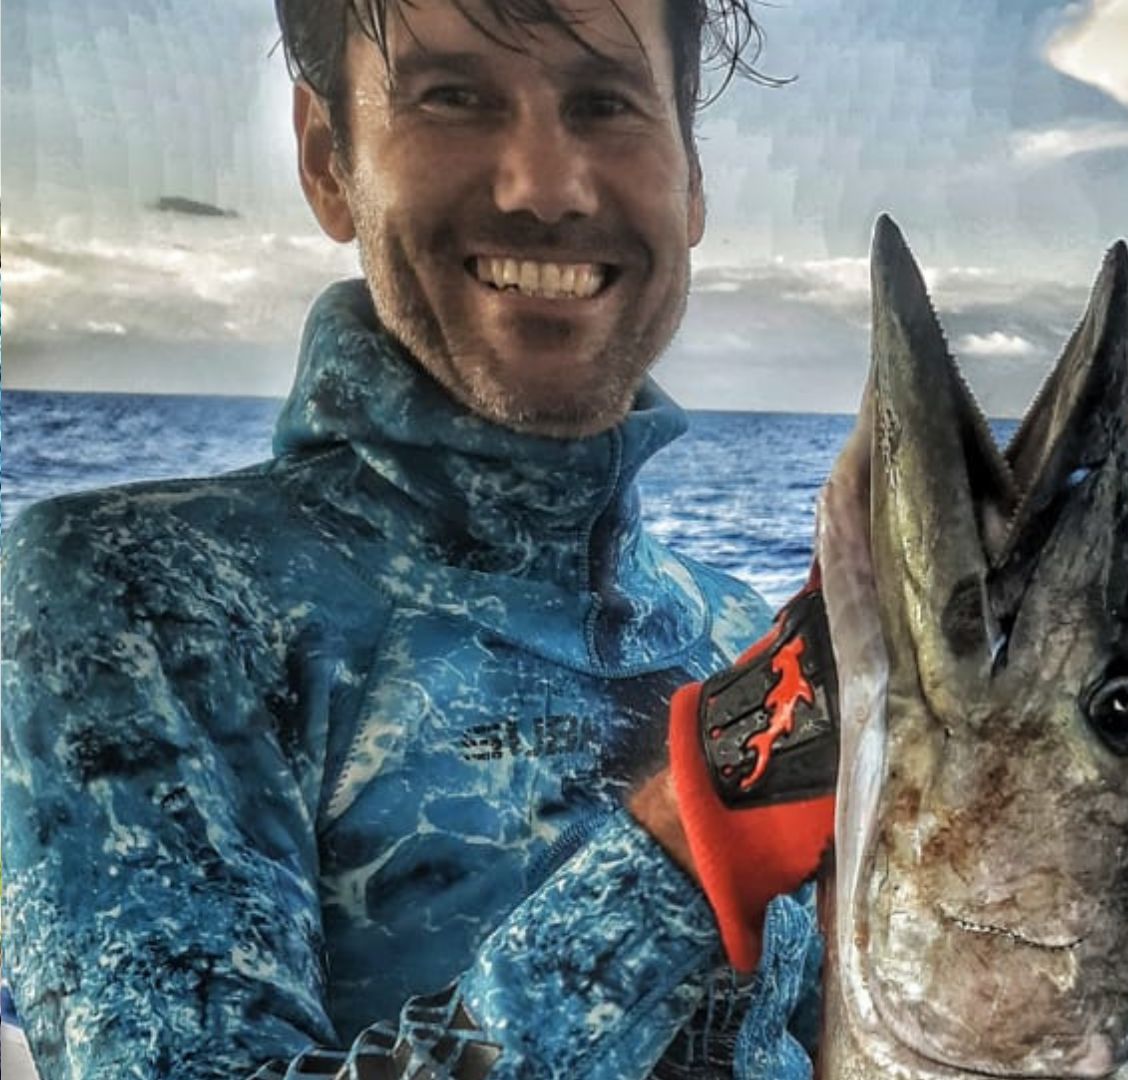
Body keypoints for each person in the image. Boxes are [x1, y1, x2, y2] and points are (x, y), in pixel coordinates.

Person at [0, 0, 853, 1076]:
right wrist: (696, 841)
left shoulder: (740, 634)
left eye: (605, 103)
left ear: (692, 183)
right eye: (455, 97)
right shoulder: (142, 596)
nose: (545, 185)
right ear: (328, 160)